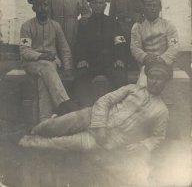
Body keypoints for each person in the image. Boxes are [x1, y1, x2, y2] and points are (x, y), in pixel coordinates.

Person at [19, 62, 171, 155]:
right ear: (148, 77)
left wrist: (144, 145)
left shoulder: (161, 110)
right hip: (90, 117)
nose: (154, 81)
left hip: (105, 141)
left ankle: (22, 141)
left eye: (159, 79)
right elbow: (104, 101)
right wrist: (100, 126)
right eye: (152, 77)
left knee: (57, 144)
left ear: (165, 82)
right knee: (52, 126)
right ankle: (32, 131)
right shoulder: (132, 89)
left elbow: (158, 136)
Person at [20, 0, 77, 122]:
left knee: (43, 81)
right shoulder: (26, 26)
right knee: (46, 65)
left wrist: (68, 68)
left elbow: (64, 49)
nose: (43, 8)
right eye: (39, 5)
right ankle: (64, 102)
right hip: (31, 63)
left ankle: (44, 121)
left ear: (48, 6)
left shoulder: (55, 26)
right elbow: (24, 51)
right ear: (34, 8)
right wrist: (41, 56)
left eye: (45, 5)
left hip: (50, 64)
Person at [74, 0, 127, 105]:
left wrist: (119, 59)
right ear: (90, 5)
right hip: (90, 63)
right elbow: (79, 44)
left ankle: (119, 108)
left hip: (110, 62)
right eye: (94, 3)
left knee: (121, 76)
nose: (98, 6)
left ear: (105, 5)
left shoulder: (113, 22)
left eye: (101, 3)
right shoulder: (84, 24)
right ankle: (85, 107)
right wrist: (81, 59)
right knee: (80, 78)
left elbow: (120, 42)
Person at [131, 0, 179, 86]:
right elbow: (135, 47)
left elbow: (174, 46)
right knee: (144, 83)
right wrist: (145, 57)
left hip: (164, 63)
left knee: (157, 78)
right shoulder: (138, 26)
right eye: (149, 5)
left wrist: (163, 58)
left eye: (155, 5)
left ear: (160, 8)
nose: (152, 8)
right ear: (143, 8)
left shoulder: (169, 25)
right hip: (146, 64)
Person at [109, 0, 147, 68]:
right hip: (121, 28)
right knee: (121, 49)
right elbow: (112, 14)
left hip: (138, 27)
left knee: (138, 51)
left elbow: (147, 11)